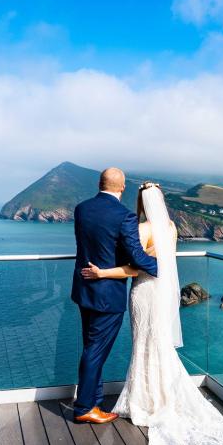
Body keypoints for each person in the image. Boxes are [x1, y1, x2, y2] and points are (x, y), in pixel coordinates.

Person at [81, 182, 223, 445]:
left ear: (142, 203)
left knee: (143, 343)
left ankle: (146, 400)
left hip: (144, 291)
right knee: (159, 343)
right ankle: (161, 397)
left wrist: (102, 273)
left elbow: (135, 269)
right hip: (162, 291)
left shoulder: (143, 229)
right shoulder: (171, 227)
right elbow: (165, 261)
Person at [71, 167, 158, 424]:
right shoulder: (124, 216)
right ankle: (84, 407)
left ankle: (93, 400)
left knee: (90, 346)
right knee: (95, 350)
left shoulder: (81, 209)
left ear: (100, 183)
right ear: (122, 188)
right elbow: (136, 256)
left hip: (84, 289)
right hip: (107, 295)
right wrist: (161, 268)